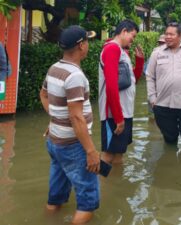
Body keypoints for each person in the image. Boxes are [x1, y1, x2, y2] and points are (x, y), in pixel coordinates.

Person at [39, 25, 100, 224]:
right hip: (73, 146)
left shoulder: (54, 68)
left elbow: (44, 94)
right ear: (81, 45)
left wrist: (55, 118)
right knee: (87, 203)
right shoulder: (75, 77)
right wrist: (91, 151)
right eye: (87, 41)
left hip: (55, 143)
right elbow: (76, 117)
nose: (88, 45)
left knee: (55, 197)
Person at [146, 22, 181, 146]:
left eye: (171, 34)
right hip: (162, 104)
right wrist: (152, 98)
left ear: (180, 35)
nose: (168, 37)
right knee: (169, 138)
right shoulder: (157, 53)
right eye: (166, 34)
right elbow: (150, 76)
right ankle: (170, 162)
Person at [99, 19, 144, 164]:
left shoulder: (121, 51)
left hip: (124, 111)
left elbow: (131, 81)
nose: (133, 40)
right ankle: (98, 186)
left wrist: (140, 61)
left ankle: (117, 184)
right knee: (108, 155)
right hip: (114, 113)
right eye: (133, 36)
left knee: (119, 153)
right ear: (124, 31)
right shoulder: (112, 49)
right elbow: (111, 86)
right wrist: (118, 118)